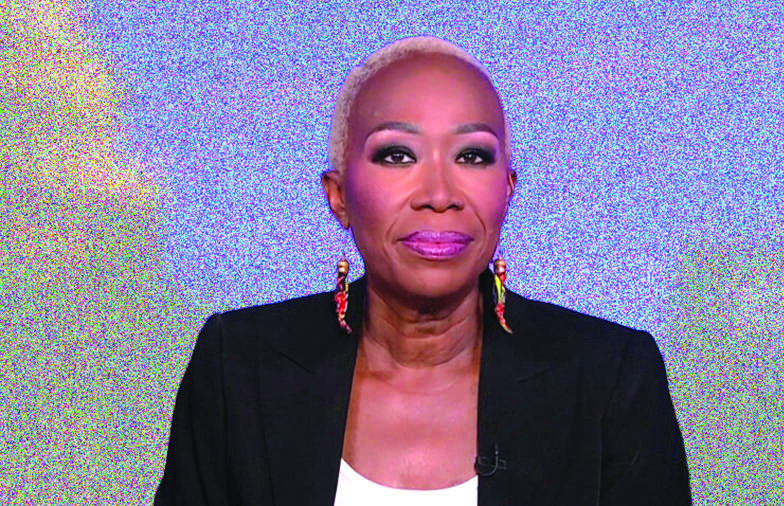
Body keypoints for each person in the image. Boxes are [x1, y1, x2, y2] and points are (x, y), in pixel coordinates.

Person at [154, 35, 691, 505]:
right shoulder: (238, 367)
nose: (438, 195)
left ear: (507, 190)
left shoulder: (611, 378)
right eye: (397, 155)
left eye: (472, 156)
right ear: (338, 196)